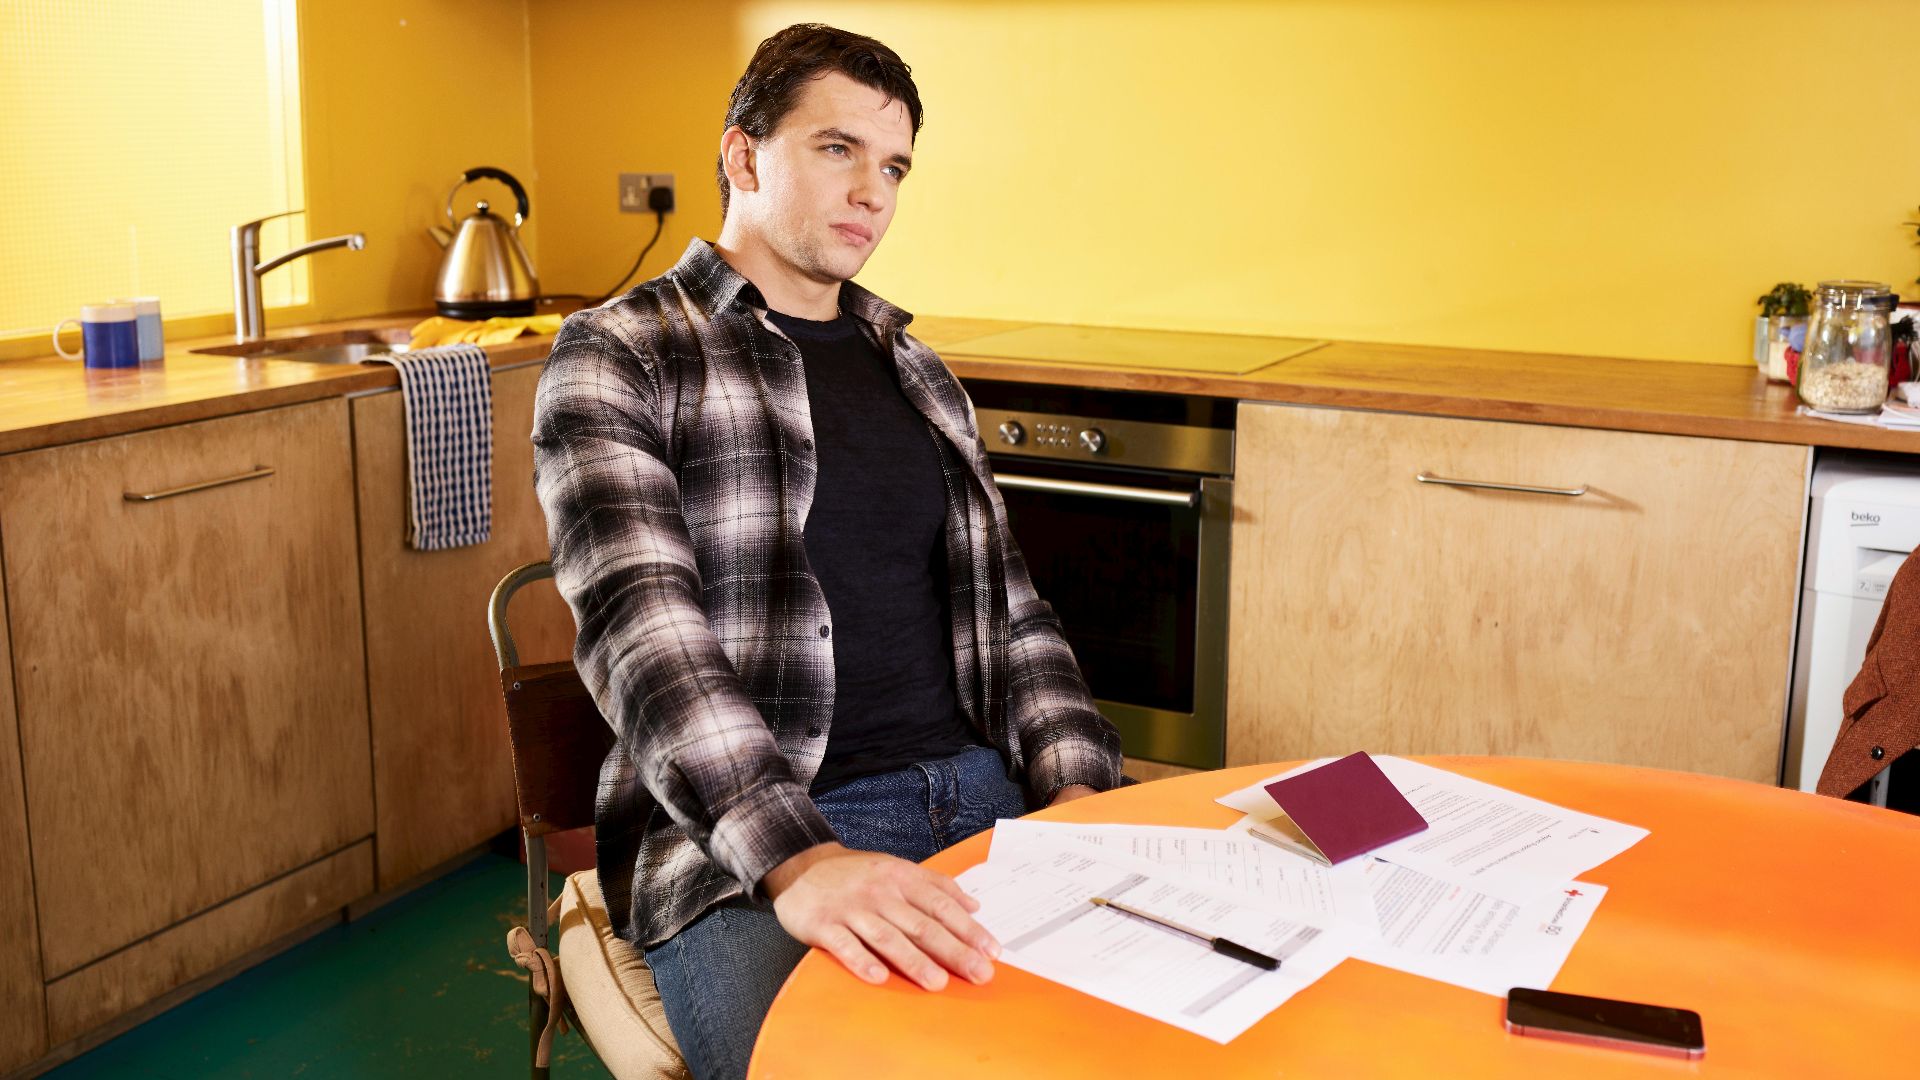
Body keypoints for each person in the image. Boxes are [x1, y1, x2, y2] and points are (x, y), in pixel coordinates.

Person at [531, 22, 1124, 1079]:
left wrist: (1077, 796)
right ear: (743, 155)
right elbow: (644, 637)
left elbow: (1015, 615)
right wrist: (800, 860)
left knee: (1142, 1041)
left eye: (892, 165)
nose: (874, 192)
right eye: (836, 149)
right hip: (751, 839)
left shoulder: (919, 369)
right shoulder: (620, 354)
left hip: (985, 798)